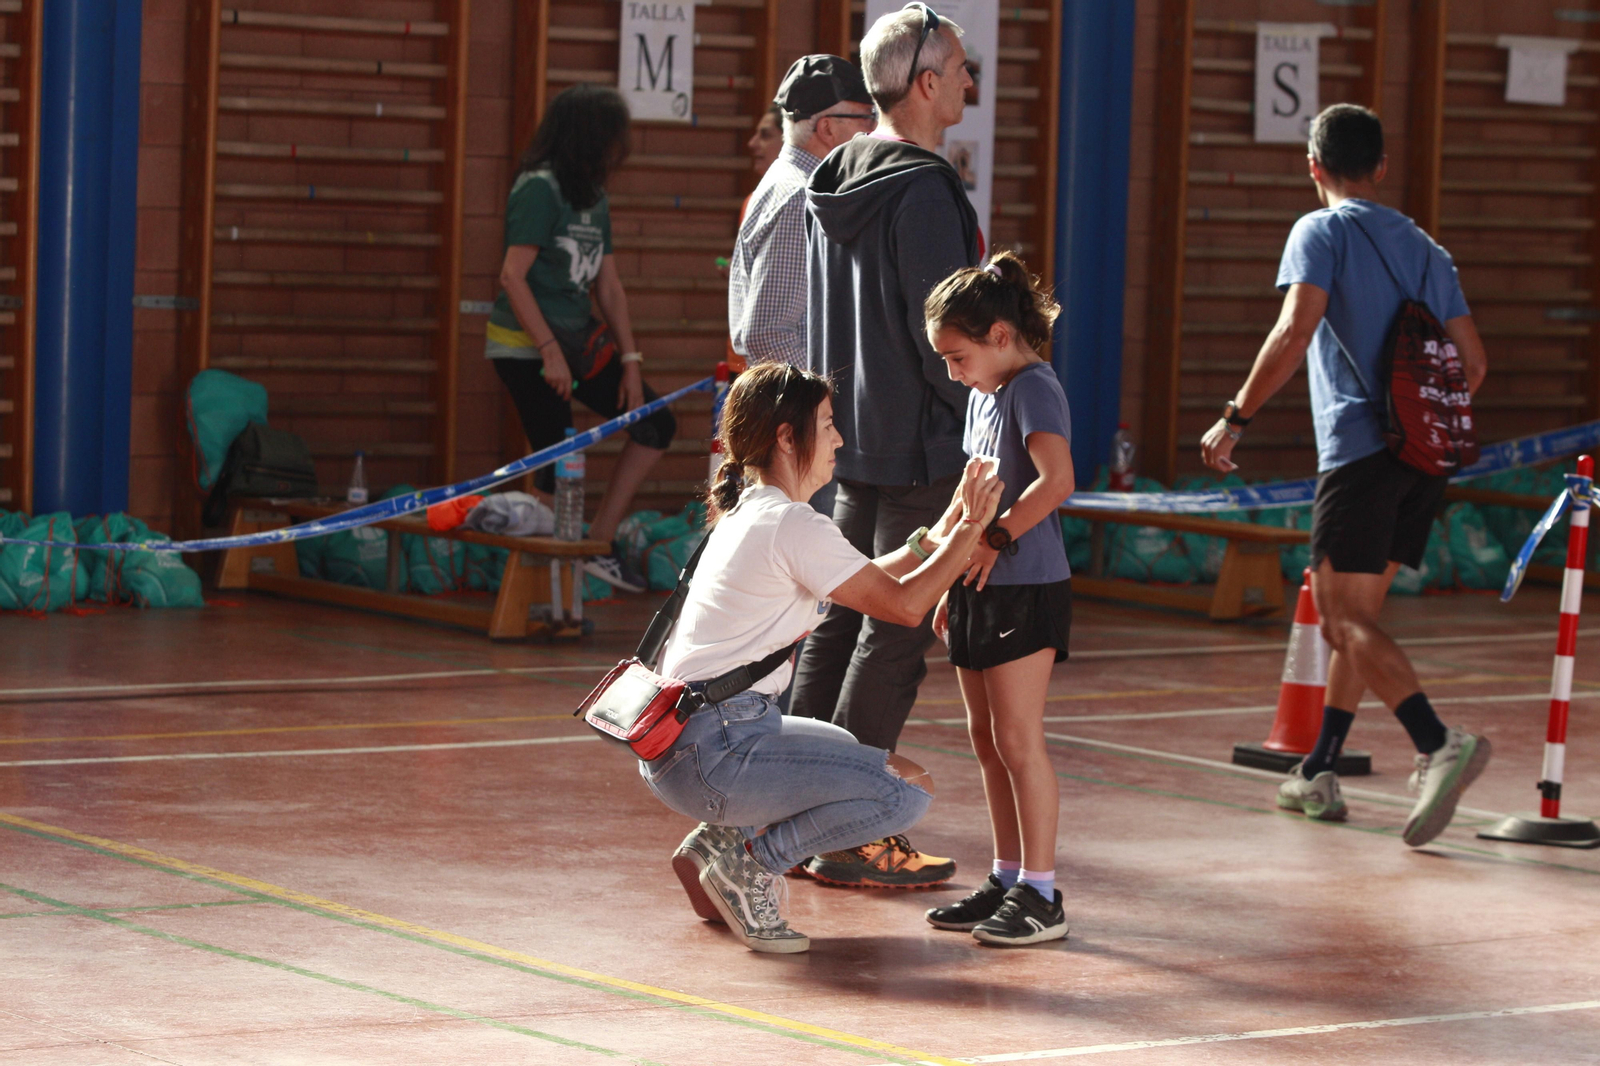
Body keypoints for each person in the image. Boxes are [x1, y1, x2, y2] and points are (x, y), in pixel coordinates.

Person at [1200, 104, 1491, 847]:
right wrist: (1419, 424)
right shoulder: (1427, 248)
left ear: (1313, 166)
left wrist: (1235, 417)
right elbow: (1473, 364)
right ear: (1382, 166)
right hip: (1422, 460)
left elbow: (1295, 329)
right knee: (1358, 621)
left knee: (1342, 621)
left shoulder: (1320, 231)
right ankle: (1319, 769)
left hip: (1360, 451)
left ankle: (1436, 743)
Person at [645, 363, 1003, 952]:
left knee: (845, 751)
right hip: (719, 751)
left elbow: (866, 581)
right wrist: (971, 530)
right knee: (904, 790)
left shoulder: (752, 512)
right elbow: (906, 607)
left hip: (687, 745)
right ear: (788, 437)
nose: (838, 440)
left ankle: (718, 841)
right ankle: (755, 862)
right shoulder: (792, 523)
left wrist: (941, 532)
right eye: (829, 425)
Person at [787, 0, 981, 890]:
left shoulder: (840, 172)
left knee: (835, 626)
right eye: (964, 70)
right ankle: (848, 829)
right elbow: (945, 329)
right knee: (893, 638)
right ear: (929, 83)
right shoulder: (926, 187)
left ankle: (790, 810)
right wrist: (981, 416)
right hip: (918, 443)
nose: (973, 85)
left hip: (851, 438)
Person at [922, 253, 1075, 946]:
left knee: (1018, 740)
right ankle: (1007, 873)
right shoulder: (984, 395)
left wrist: (997, 540)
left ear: (1000, 337)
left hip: (1024, 584)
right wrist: (949, 567)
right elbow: (969, 489)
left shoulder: (1033, 388)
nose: (953, 373)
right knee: (985, 740)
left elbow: (1056, 480)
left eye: (958, 356)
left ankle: (1042, 892)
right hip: (980, 582)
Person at [487, 84, 674, 593]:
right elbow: (512, 276)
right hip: (525, 344)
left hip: (575, 343)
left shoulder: (593, 196)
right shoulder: (538, 188)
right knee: (556, 459)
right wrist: (547, 351)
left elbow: (608, 286)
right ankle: (536, 593)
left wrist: (631, 361)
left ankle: (598, 544)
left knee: (655, 424)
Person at [728, 55, 875, 369]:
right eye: (865, 117)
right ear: (827, 127)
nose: (874, 128)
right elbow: (767, 334)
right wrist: (821, 404)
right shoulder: (800, 199)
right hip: (801, 412)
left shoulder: (790, 183)